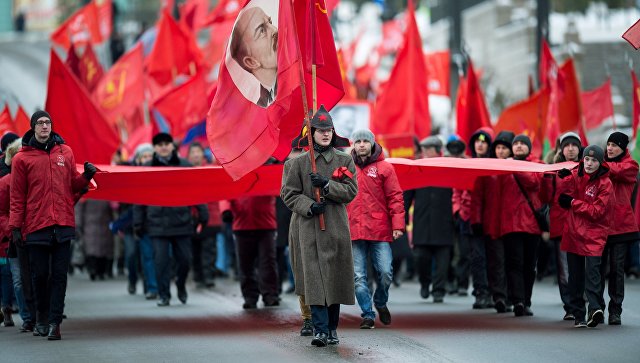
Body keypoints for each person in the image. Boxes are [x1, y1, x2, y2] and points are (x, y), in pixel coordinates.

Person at [9, 110, 95, 340]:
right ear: (33, 127)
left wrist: (85, 177)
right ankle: (42, 318)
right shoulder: (21, 159)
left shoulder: (65, 152)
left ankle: (55, 321)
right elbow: (17, 196)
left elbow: (72, 185)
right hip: (36, 225)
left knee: (59, 275)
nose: (45, 126)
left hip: (63, 223)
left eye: (48, 122)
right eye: (40, 123)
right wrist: (15, 227)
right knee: (40, 275)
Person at [281, 105, 357, 347]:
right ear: (311, 133)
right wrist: (309, 206)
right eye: (321, 130)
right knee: (314, 279)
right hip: (308, 229)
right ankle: (320, 330)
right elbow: (289, 194)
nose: (326, 134)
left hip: (335, 226)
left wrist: (326, 186)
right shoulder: (297, 164)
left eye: (329, 130)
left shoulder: (345, 159)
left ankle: (332, 328)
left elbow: (350, 191)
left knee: (334, 279)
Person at [133, 133, 209, 307]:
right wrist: (138, 222)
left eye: (167, 143)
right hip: (157, 224)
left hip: (181, 221)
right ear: (155, 148)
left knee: (184, 260)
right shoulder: (146, 167)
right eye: (159, 144)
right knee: (160, 262)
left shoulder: (185, 166)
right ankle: (164, 294)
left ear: (172, 146)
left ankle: (181, 285)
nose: (164, 146)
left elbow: (196, 191)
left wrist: (202, 213)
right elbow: (139, 196)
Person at [347, 129, 404, 329]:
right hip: (353, 229)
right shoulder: (345, 167)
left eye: (365, 141)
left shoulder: (385, 168)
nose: (362, 144)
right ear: (353, 144)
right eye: (358, 141)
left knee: (386, 272)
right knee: (358, 276)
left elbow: (395, 197)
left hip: (380, 230)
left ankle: (380, 301)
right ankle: (368, 313)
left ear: (372, 144)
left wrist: (398, 225)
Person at [557, 145, 612, 328]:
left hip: (594, 235)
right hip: (573, 233)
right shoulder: (575, 175)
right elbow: (562, 194)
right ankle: (579, 314)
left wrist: (573, 203)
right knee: (575, 277)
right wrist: (563, 178)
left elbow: (596, 211)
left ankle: (595, 308)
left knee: (593, 274)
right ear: (582, 160)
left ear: (600, 162)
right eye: (587, 159)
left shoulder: (605, 184)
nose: (589, 163)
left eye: (594, 160)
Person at [498, 134, 542, 317]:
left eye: (523, 144)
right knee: (514, 263)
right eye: (515, 144)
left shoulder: (537, 166)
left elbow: (533, 183)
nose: (518, 146)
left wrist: (514, 166)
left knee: (529, 266)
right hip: (510, 224)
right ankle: (518, 300)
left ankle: (526, 300)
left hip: (531, 225)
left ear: (529, 148)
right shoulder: (502, 166)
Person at [406, 136, 453, 303]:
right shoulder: (417, 168)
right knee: (420, 258)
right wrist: (403, 218)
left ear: (438, 150)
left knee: (442, 263)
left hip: (444, 223)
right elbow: (408, 195)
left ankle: (439, 290)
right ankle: (425, 282)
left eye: (428, 148)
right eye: (423, 149)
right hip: (422, 223)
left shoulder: (449, 168)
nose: (425, 152)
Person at [540, 131, 582, 321]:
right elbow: (544, 198)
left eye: (574, 145)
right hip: (561, 228)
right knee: (564, 271)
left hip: (583, 228)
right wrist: (547, 179)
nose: (571, 149)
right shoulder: (553, 170)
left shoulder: (588, 167)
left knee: (584, 270)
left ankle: (583, 302)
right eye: (567, 145)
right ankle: (570, 306)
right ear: (561, 149)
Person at [599, 132, 639, 325]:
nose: (610, 148)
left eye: (615, 145)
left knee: (616, 270)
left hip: (621, 227)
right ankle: (596, 308)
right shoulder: (599, 164)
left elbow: (618, 171)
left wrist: (597, 163)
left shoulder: (631, 165)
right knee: (596, 270)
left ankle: (615, 310)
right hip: (598, 225)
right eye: (608, 144)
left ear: (623, 148)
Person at [472, 130, 514, 313]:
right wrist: (476, 220)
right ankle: (499, 297)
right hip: (492, 225)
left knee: (512, 263)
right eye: (498, 147)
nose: (501, 151)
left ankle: (514, 296)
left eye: (505, 148)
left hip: (513, 226)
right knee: (496, 262)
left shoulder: (519, 168)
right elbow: (477, 198)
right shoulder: (487, 170)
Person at [220, 195, 279, 308]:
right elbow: (226, 193)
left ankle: (270, 295)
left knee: (267, 262)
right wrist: (226, 209)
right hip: (244, 225)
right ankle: (250, 297)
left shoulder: (265, 178)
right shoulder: (236, 178)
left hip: (265, 224)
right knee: (245, 264)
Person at [0, 138, 33, 331]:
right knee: (17, 278)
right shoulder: (5, 183)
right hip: (14, 239)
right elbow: (1, 212)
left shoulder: (36, 179)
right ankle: (27, 317)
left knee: (37, 276)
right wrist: (12, 230)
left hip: (36, 235)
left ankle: (38, 316)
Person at [462, 128, 493, 309]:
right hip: (472, 221)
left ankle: (495, 292)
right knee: (477, 258)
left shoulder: (496, 164)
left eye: (484, 141)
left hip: (492, 220)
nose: (480, 144)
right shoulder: (466, 164)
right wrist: (460, 211)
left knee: (493, 259)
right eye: (477, 141)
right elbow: (458, 191)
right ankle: (480, 292)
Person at [230, 5, 278, 108]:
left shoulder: (300, 84)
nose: (275, 30)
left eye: (270, 23)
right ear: (251, 62)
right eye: (262, 31)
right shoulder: (261, 110)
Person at [187, 142, 220, 289]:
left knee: (209, 249)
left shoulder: (211, 169)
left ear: (202, 154)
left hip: (210, 217)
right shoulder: (183, 171)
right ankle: (198, 275)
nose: (195, 155)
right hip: (190, 218)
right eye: (192, 152)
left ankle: (208, 276)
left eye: (198, 152)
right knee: (194, 249)